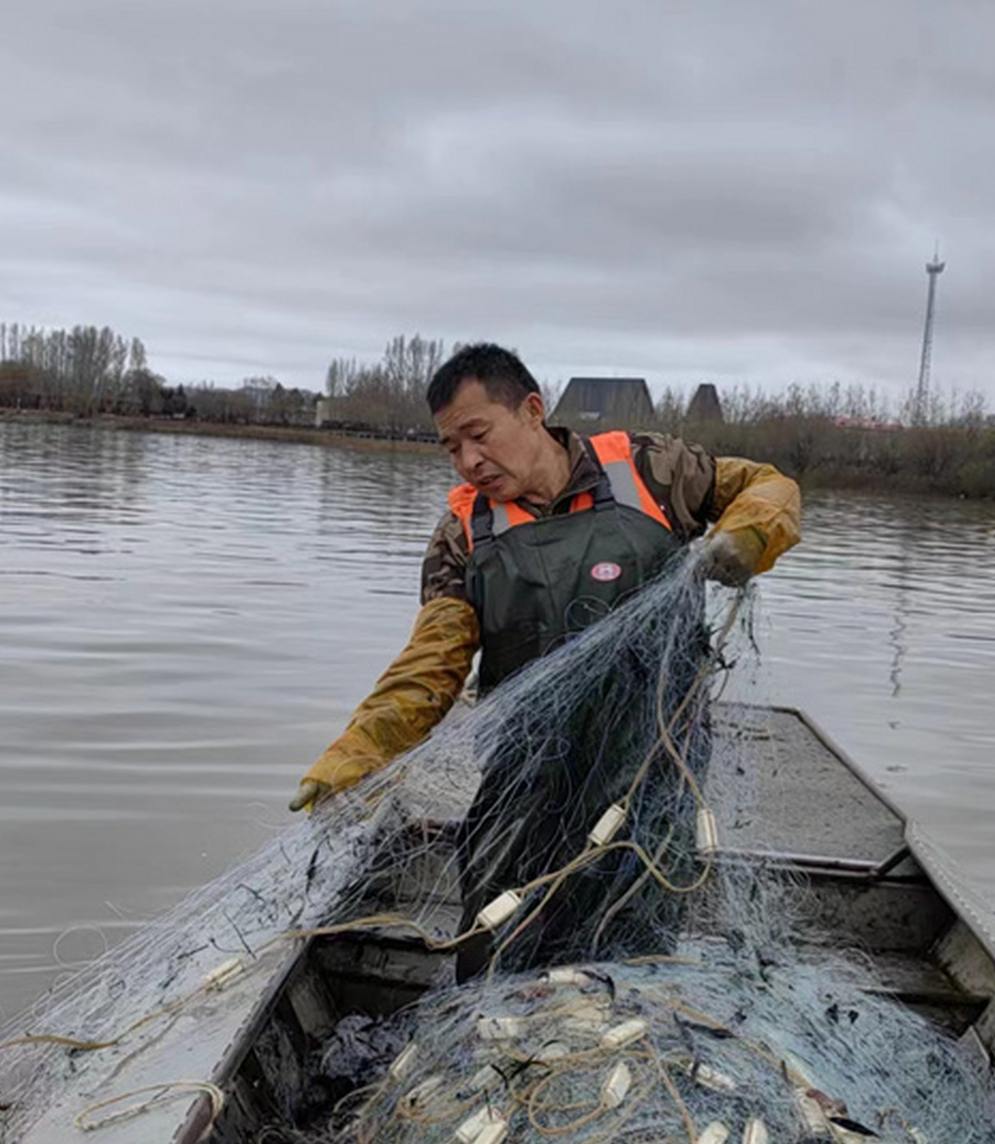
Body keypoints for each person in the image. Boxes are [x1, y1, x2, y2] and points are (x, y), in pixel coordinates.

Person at [290, 344, 801, 974]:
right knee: (497, 934)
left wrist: (751, 530)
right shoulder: (463, 534)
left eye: (479, 435)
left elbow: (768, 484)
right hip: (525, 777)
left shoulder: (650, 470)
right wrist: (360, 749)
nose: (469, 461)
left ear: (532, 411)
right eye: (452, 448)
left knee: (635, 938)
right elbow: (431, 663)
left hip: (652, 769)